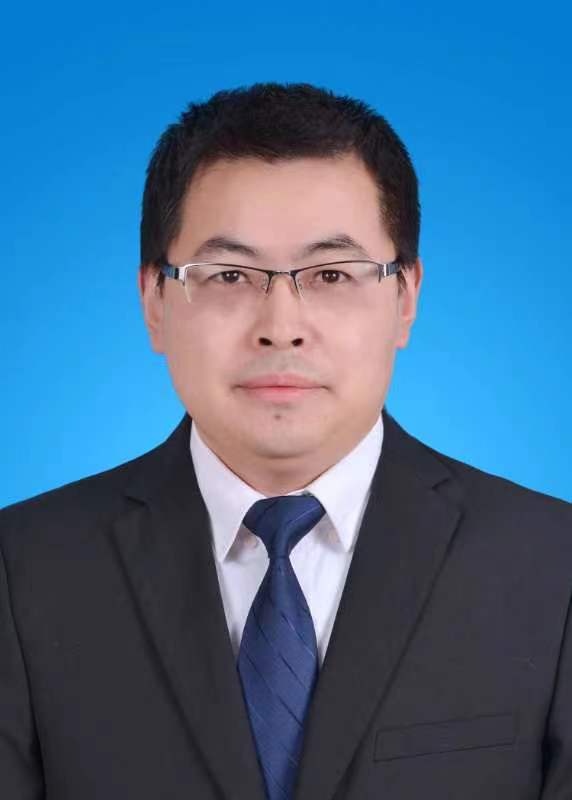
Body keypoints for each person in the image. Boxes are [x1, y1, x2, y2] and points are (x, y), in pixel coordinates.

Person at [1, 82, 571, 800]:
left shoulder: (553, 567)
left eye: (331, 274)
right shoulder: (23, 571)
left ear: (405, 298)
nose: (280, 326)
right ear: (153, 301)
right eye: (229, 275)